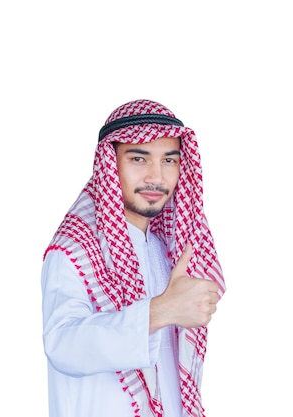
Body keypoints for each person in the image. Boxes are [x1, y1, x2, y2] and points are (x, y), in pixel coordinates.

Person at [41, 99, 226, 417]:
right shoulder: (74, 252)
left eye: (170, 160)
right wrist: (161, 311)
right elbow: (63, 345)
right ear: (110, 165)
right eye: (139, 158)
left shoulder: (167, 251)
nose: (157, 176)